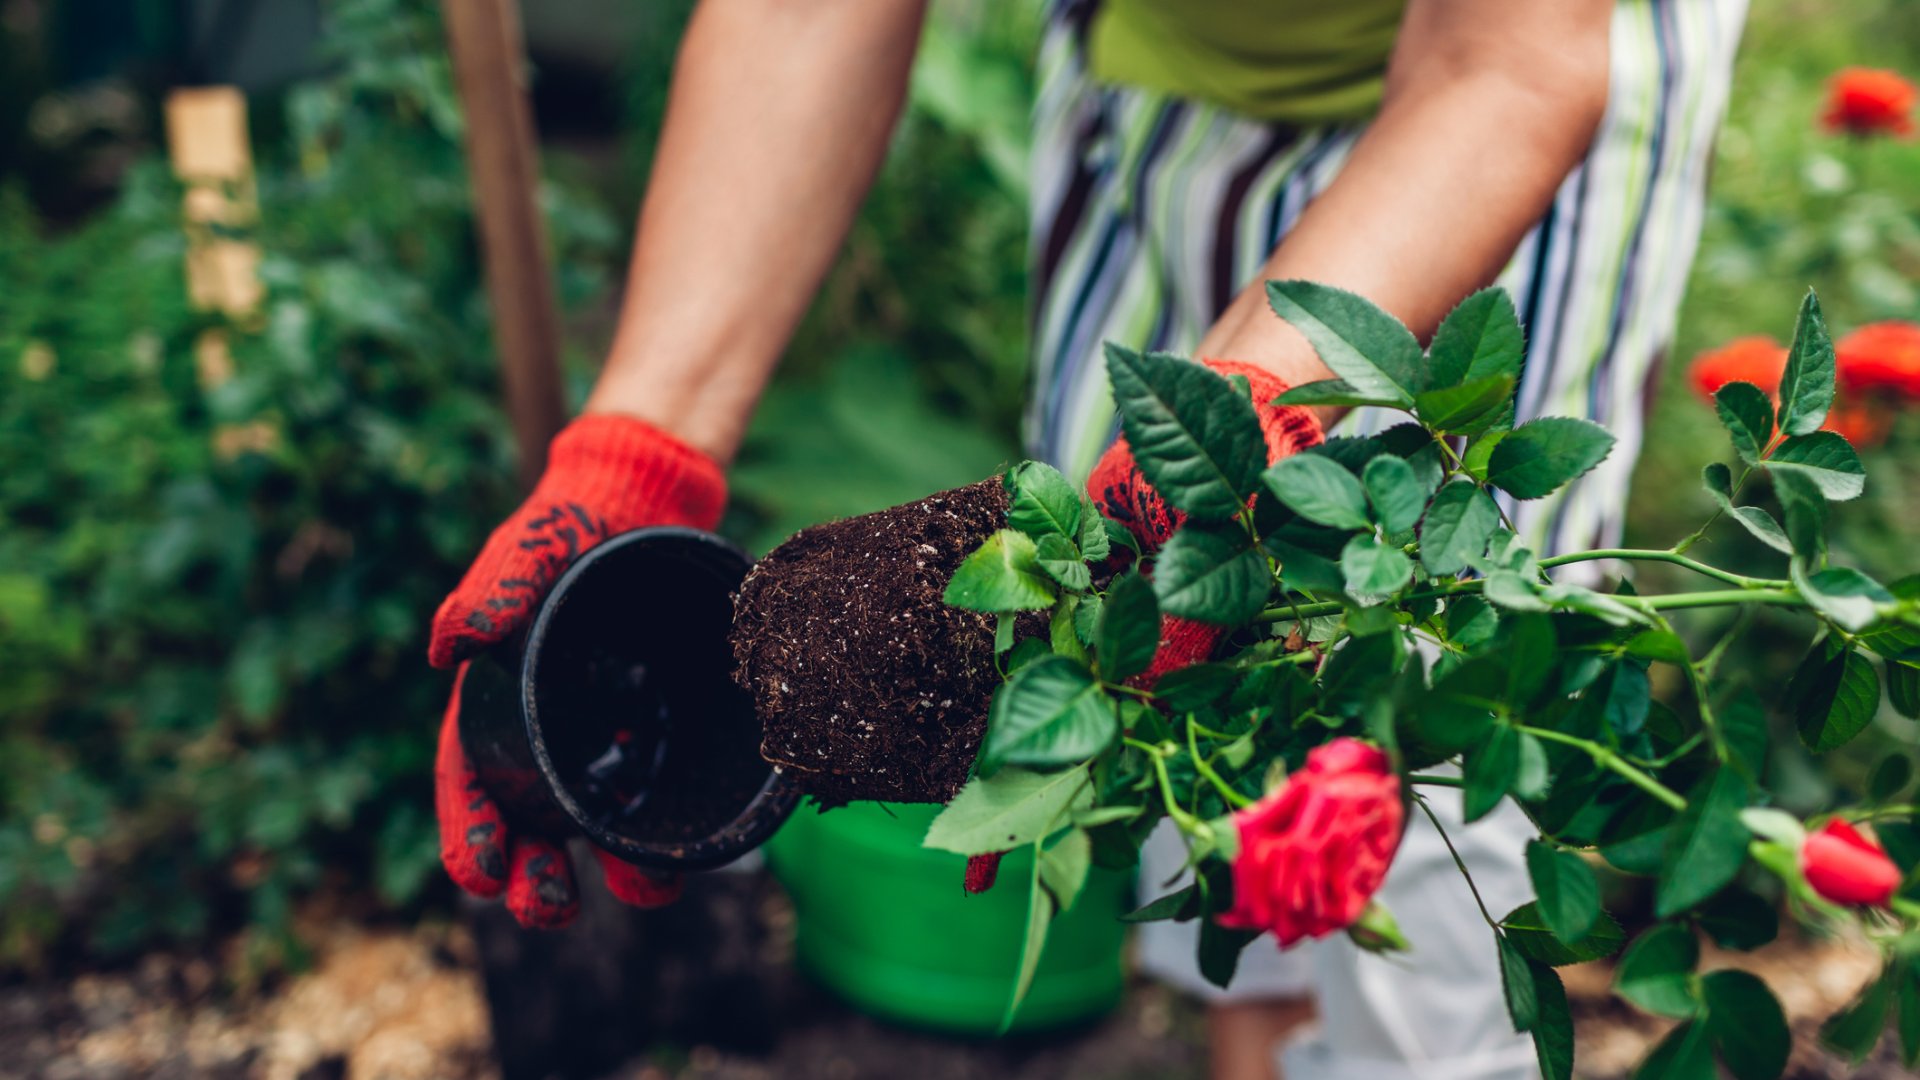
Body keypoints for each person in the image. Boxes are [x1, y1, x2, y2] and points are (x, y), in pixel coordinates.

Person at [426, 0, 1748, 1076]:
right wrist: (646, 435)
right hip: (1167, 81)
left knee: (1419, 773)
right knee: (1212, 780)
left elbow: (1505, 65)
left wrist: (1238, 420)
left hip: (1498, 94)